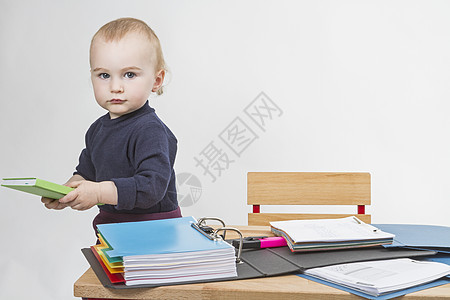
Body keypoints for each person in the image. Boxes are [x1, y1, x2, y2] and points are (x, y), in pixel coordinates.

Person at [41, 17, 181, 236]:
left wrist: (98, 193)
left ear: (156, 80)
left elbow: (151, 188)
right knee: (107, 270)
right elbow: (87, 173)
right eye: (104, 75)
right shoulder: (97, 130)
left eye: (130, 74)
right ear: (92, 76)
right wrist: (68, 191)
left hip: (155, 232)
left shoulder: (150, 131)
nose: (116, 87)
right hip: (111, 230)